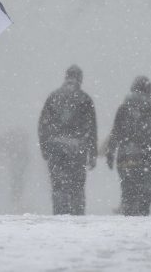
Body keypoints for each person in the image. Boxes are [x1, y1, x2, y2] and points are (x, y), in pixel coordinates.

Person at [105, 76, 151, 216]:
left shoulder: (124, 106)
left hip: (125, 155)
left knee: (127, 189)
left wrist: (110, 153)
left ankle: (128, 213)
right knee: (145, 191)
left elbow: (115, 132)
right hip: (145, 156)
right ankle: (142, 219)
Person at [37, 65, 98, 215]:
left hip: (55, 147)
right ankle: (77, 217)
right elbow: (91, 128)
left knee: (58, 185)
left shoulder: (53, 97)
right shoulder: (85, 99)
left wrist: (44, 148)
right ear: (80, 79)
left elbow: (43, 125)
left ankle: (60, 215)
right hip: (78, 148)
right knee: (77, 186)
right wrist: (92, 153)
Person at [0, 126, 32, 212]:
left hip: (18, 160)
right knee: (17, 178)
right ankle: (16, 198)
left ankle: (15, 197)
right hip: (19, 160)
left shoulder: (12, 140)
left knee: (17, 178)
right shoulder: (20, 141)